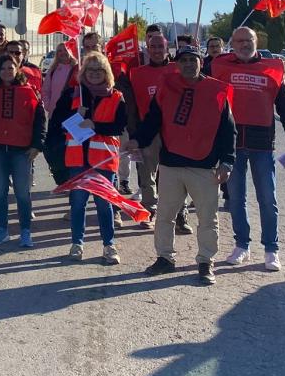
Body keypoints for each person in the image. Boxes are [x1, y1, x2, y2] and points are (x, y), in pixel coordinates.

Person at [127, 45, 236, 285]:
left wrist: (227, 161)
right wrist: (137, 140)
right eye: (183, 60)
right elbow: (152, 121)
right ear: (177, 64)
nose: (188, 64)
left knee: (208, 219)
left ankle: (206, 261)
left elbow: (229, 131)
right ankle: (165, 258)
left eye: (192, 60)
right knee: (164, 216)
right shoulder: (167, 88)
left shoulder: (217, 91)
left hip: (204, 166)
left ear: (200, 62)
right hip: (171, 165)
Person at [215, 27, 285, 272]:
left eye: (249, 40)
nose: (244, 44)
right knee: (236, 199)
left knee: (268, 198)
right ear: (232, 44)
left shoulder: (272, 70)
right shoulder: (220, 67)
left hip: (262, 144)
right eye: (240, 40)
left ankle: (271, 249)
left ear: (256, 42)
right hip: (232, 145)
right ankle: (241, 245)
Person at [49, 52, 128, 264]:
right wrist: (76, 116)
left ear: (107, 73)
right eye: (90, 70)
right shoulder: (72, 95)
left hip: (103, 161)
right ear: (83, 73)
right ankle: (77, 243)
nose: (94, 74)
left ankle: (109, 245)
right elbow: (56, 122)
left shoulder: (116, 97)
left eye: (99, 70)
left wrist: (95, 125)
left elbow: (119, 127)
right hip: (77, 159)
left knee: (104, 205)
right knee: (77, 203)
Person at [121, 30, 189, 232]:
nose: (158, 50)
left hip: (175, 131)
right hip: (147, 132)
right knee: (147, 175)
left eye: (161, 46)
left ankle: (180, 214)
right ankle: (149, 211)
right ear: (147, 49)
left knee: (178, 174)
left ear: (167, 48)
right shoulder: (137, 73)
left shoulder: (178, 70)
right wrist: (134, 133)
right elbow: (131, 106)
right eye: (153, 47)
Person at [0, 53, 46, 247]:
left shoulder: (29, 91)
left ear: (18, 69)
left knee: (22, 192)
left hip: (21, 149)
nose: (7, 71)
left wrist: (37, 145)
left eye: (10, 67)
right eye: (3, 68)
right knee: (0, 191)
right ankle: (2, 229)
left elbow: (40, 120)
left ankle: (25, 231)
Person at [41, 42, 77, 185]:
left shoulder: (76, 69)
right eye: (59, 50)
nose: (62, 52)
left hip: (73, 116)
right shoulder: (53, 70)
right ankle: (61, 178)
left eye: (65, 49)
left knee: (71, 149)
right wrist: (50, 107)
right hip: (55, 116)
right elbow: (45, 91)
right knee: (54, 148)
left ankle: (72, 177)